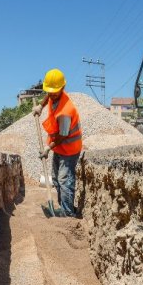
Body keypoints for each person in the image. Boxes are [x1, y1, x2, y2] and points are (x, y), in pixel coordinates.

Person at [33, 68, 83, 217]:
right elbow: (49, 96)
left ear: (63, 88)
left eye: (55, 91)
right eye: (50, 91)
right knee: (56, 178)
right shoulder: (53, 95)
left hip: (70, 148)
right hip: (60, 147)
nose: (52, 94)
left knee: (65, 179)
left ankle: (67, 213)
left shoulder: (65, 111)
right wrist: (40, 106)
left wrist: (48, 148)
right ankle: (63, 206)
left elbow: (63, 136)